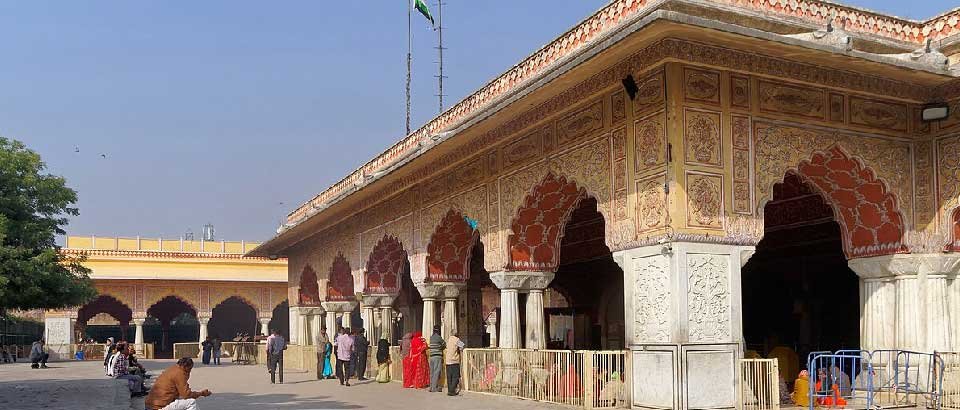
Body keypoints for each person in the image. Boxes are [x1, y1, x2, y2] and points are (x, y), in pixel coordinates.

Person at [145, 357, 212, 410]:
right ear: (185, 367)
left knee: (183, 402)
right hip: (158, 407)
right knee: (192, 402)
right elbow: (186, 395)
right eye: (190, 369)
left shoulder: (173, 368)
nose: (190, 371)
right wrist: (201, 393)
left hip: (151, 405)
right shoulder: (180, 373)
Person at [444, 331, 465, 396]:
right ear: (456, 334)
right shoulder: (456, 339)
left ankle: (449, 390)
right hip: (454, 360)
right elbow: (462, 345)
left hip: (448, 360)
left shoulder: (449, 339)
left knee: (449, 377)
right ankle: (452, 390)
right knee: (455, 376)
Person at [428, 325, 444, 392]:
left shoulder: (431, 337)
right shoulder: (439, 337)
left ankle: (431, 387)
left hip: (431, 356)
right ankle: (434, 388)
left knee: (432, 372)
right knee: (436, 371)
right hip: (437, 356)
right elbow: (444, 344)